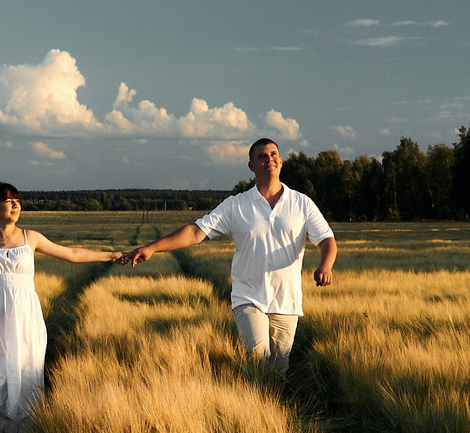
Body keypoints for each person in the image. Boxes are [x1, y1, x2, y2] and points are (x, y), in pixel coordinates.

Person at [118, 138, 337, 374]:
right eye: (262, 156)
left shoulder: (302, 203)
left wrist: (325, 266)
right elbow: (195, 232)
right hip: (248, 296)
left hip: (287, 300)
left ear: (281, 161)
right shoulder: (236, 205)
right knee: (257, 359)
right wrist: (152, 247)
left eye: (273, 154)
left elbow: (326, 239)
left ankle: (270, 407)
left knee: (279, 368)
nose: (269, 159)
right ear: (251, 166)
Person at [0, 180, 118, 433]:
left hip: (25, 315)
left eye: (18, 200)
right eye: (9, 200)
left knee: (26, 369)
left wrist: (110, 255)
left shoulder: (31, 237)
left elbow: (72, 253)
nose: (16, 204)